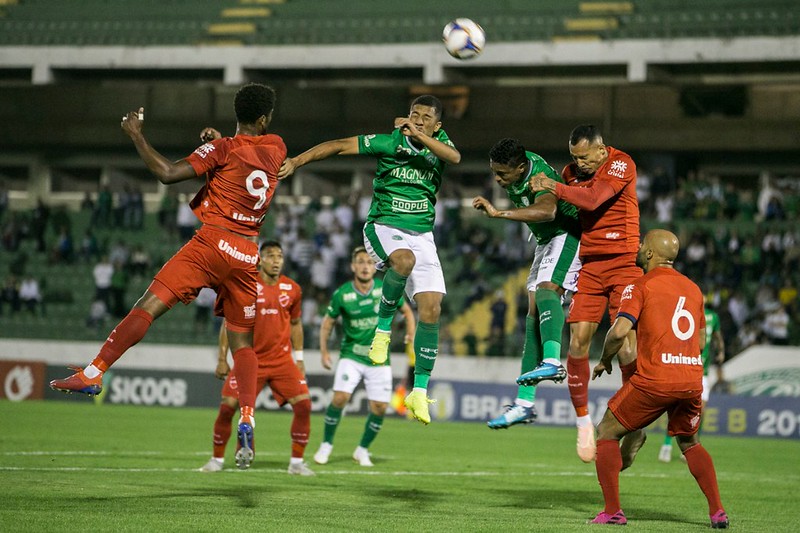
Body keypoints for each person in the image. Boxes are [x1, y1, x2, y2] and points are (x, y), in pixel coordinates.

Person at [49, 83, 286, 471]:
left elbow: (167, 173)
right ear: (265, 119)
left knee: (150, 304)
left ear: (236, 112)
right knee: (243, 341)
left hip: (211, 244)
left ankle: (93, 372)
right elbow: (246, 158)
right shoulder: (276, 146)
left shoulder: (224, 149)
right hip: (246, 253)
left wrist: (137, 135)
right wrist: (219, 142)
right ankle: (247, 414)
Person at [279, 95, 460, 424]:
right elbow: (338, 145)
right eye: (413, 114)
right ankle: (382, 332)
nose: (418, 120)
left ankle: (418, 392)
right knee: (402, 261)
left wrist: (420, 137)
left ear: (437, 125)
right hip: (384, 226)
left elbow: (455, 158)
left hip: (423, 235)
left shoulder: (440, 144)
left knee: (432, 307)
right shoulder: (389, 141)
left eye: (425, 117)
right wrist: (297, 161)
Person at [589, 230, 728, 528]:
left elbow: (618, 332)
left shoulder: (639, 285)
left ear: (650, 253)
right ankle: (717, 511)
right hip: (691, 380)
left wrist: (604, 360)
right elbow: (701, 341)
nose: (638, 249)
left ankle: (612, 511)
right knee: (691, 443)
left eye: (642, 246)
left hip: (655, 380)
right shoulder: (693, 289)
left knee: (606, 433)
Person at [526, 124, 643, 463]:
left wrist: (554, 186)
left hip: (623, 262)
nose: (579, 164)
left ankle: (635, 426)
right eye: (574, 157)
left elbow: (593, 199)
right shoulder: (569, 174)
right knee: (577, 340)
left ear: (601, 149)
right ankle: (582, 423)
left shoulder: (622, 163)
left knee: (625, 344)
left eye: (584, 157)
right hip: (590, 264)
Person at [472, 138, 581, 429]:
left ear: (520, 168)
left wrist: (499, 213)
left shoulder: (538, 177)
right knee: (533, 318)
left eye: (503, 174)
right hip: (545, 241)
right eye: (494, 172)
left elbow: (548, 212)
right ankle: (524, 404)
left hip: (567, 235)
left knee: (547, 291)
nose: (497, 179)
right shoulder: (516, 167)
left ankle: (553, 361)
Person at [200, 241, 314, 476]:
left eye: (279, 256)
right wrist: (222, 357)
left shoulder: (292, 289)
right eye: (270, 255)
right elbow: (228, 323)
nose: (276, 260)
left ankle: (296, 463)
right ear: (259, 259)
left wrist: (299, 357)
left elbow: (296, 324)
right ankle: (217, 459)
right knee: (227, 409)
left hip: (282, 361)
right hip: (250, 360)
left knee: (304, 406)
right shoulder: (246, 286)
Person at [314, 246, 415, 466]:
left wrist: (411, 334)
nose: (365, 266)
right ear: (353, 266)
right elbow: (327, 323)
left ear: (375, 267)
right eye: (360, 262)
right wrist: (324, 351)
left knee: (379, 407)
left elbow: (406, 311)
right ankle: (326, 445)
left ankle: (362, 450)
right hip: (351, 355)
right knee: (340, 398)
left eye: (369, 262)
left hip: (379, 359)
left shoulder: (385, 289)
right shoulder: (342, 294)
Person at [659, 299, 726, 463]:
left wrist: (721, 351)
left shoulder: (713, 317)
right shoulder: (687, 314)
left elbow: (717, 336)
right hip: (687, 367)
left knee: (700, 410)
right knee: (677, 408)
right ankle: (667, 445)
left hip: (704, 371)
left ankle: (691, 447)